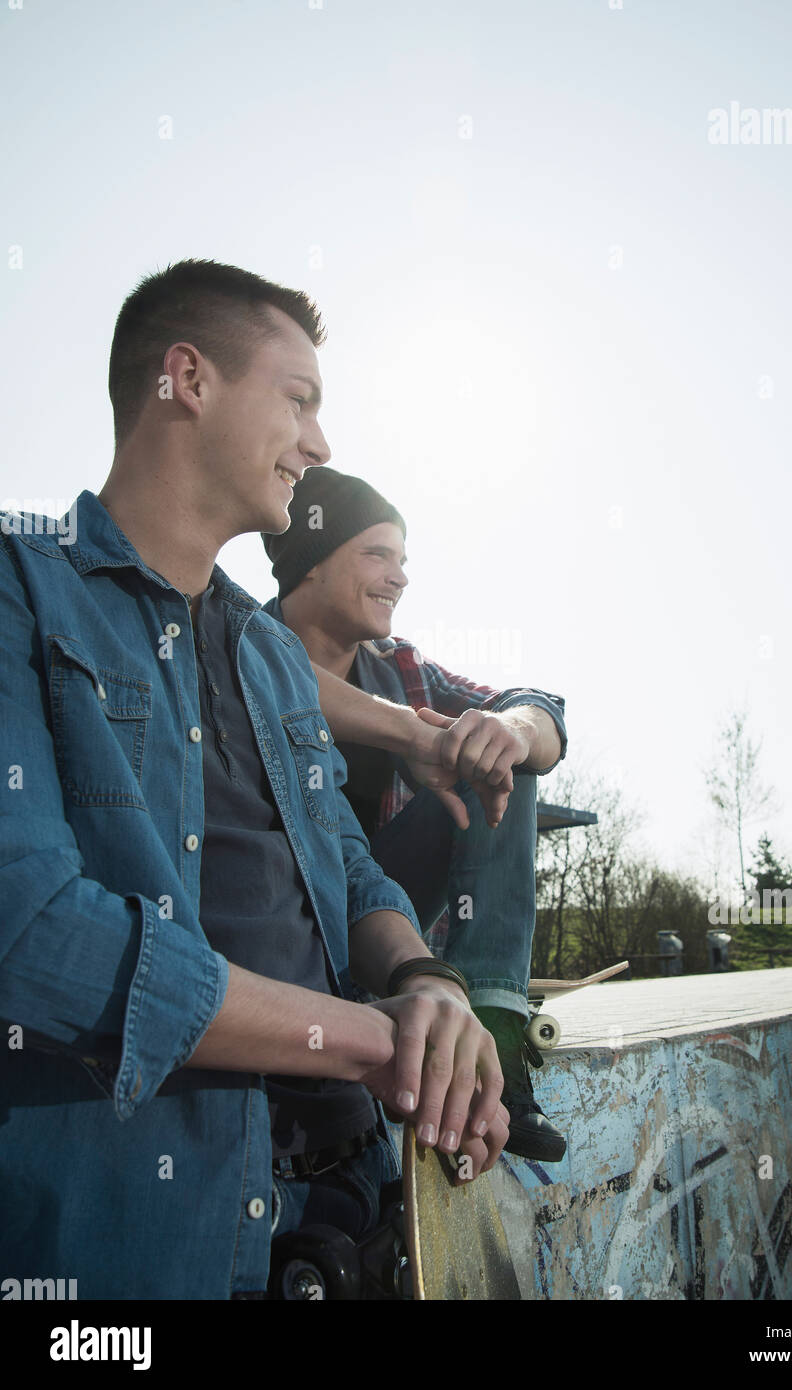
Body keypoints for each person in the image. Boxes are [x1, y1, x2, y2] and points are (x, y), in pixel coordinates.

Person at [0, 258, 508, 1301]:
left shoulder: (274, 656)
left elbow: (344, 858)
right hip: (139, 1244)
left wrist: (425, 987)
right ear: (188, 379)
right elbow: (30, 930)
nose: (320, 444)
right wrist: (368, 1039)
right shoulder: (20, 586)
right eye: (300, 400)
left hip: (349, 1202)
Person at [261, 468, 569, 1162]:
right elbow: (265, 671)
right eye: (378, 554)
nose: (399, 577)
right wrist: (406, 732)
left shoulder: (402, 669)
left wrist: (517, 730)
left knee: (496, 752)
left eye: (404, 560)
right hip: (285, 930)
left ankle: (491, 1030)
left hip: (391, 930)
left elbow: (538, 708)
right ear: (309, 561)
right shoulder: (238, 645)